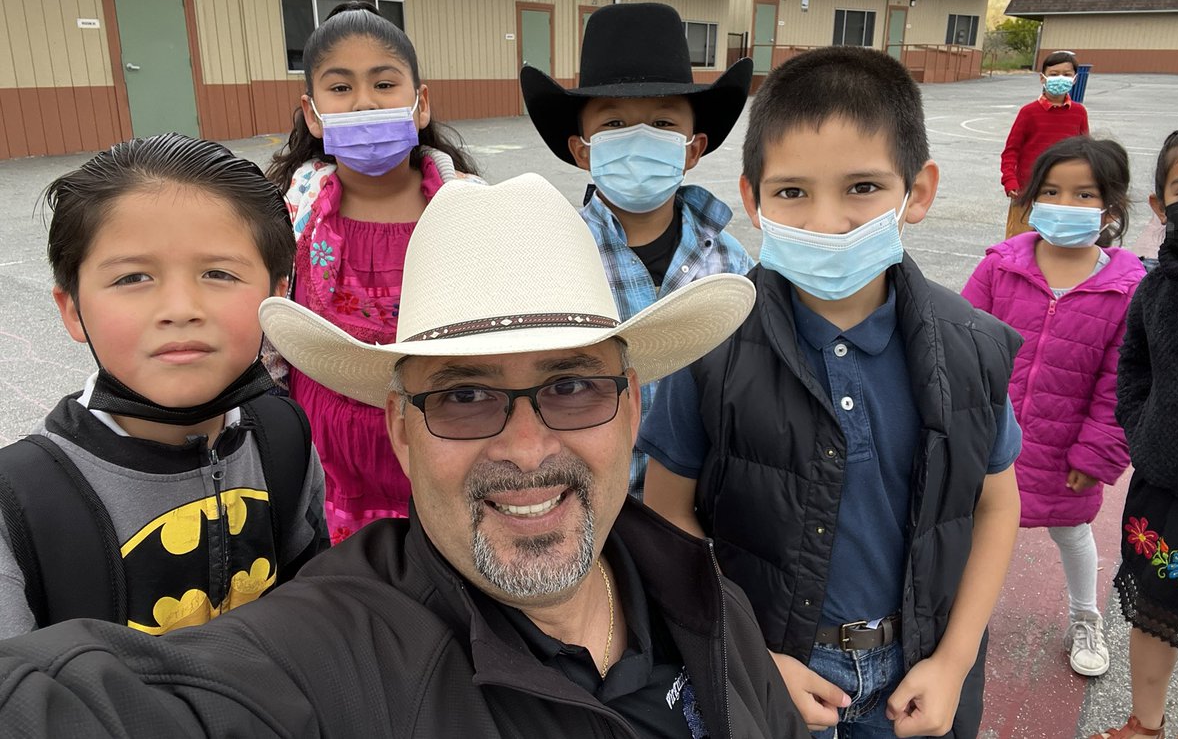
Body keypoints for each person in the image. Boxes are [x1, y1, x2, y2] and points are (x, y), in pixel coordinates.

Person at [0, 173, 808, 739]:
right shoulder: (336, 652)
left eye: (570, 388)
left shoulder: (707, 600)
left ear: (631, 409)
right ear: (400, 430)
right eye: (463, 397)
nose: (527, 449)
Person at [638, 47, 1023, 738]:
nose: (825, 222)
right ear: (752, 200)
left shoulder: (972, 345)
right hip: (777, 669)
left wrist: (956, 660)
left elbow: (996, 507)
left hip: (919, 670)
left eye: (862, 188)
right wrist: (751, 656)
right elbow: (669, 517)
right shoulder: (711, 343)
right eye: (792, 192)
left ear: (919, 191)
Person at [0, 134, 328, 639]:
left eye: (219, 273)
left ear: (277, 292)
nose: (180, 308)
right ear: (73, 310)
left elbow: (315, 612)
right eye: (132, 278)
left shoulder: (285, 436)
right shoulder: (19, 505)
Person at [266, 1, 481, 542]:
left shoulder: (468, 210)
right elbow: (267, 332)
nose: (364, 102)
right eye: (340, 88)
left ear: (420, 102)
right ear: (313, 113)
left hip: (447, 447)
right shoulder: (290, 215)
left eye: (384, 84)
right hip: (327, 460)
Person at [520, 2, 754, 499]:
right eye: (614, 124)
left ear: (693, 148)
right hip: (586, 502)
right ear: (582, 150)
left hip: (702, 505)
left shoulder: (732, 267)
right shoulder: (549, 260)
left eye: (664, 124)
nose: (639, 138)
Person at [963, 135, 1142, 679]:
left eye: (1083, 195)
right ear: (1031, 199)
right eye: (1051, 191)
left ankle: (1085, 616)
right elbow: (960, 344)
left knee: (1072, 535)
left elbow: (1121, 384)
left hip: (1066, 450)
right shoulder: (999, 267)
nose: (1065, 205)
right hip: (990, 440)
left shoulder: (1128, 288)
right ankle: (959, 619)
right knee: (972, 531)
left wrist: (1096, 455)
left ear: (1111, 206)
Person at [1093, 122, 1178, 739]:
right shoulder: (1155, 288)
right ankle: (1145, 722)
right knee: (1155, 615)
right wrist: (1143, 431)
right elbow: (1130, 368)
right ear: (1160, 205)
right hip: (1163, 490)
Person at [1000, 50, 1091, 239]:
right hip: (1027, 191)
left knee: (1057, 240)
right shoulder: (1029, 112)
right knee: (1020, 240)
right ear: (1043, 78)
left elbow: (1085, 152)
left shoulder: (1079, 112)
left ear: (1074, 79)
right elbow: (1011, 150)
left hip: (1064, 193)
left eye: (1066, 75)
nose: (1060, 78)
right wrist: (1010, 180)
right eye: (1054, 74)